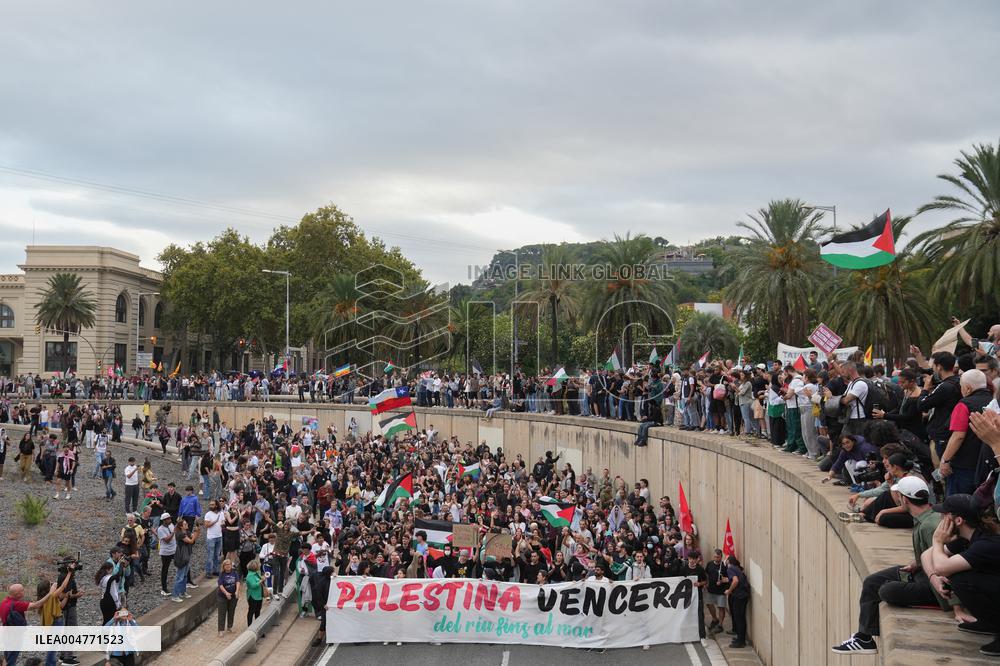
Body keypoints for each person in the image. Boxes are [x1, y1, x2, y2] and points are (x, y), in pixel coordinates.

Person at [831, 476, 940, 656]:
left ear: (904, 499)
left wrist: (955, 605)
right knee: (872, 582)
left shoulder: (929, 525)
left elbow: (941, 563)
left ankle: (864, 637)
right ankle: (864, 638)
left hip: (932, 585)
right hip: (921, 571)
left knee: (886, 590)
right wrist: (916, 564)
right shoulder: (925, 518)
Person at [939, 370, 993, 496]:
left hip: (964, 465)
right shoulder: (994, 402)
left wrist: (945, 460)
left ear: (968, 388)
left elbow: (958, 436)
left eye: (961, 387)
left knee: (958, 503)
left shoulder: (964, 405)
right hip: (987, 463)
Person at [1, 581, 60, 666]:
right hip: (14, 637)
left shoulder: (4, 602)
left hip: (6, 635)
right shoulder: (16, 604)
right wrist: (50, 593)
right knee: (11, 660)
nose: (24, 591)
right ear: (18, 594)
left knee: (8, 658)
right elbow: (36, 605)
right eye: (22, 590)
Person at [724, 555, 750, 649]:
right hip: (743, 595)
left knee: (739, 618)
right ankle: (740, 638)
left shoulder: (730, 568)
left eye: (726, 559)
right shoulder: (736, 568)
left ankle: (741, 641)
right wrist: (726, 580)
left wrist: (729, 591)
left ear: (728, 561)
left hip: (739, 596)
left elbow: (735, 581)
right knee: (740, 618)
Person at [704, 548, 729, 635]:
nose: (716, 558)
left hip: (721, 591)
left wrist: (722, 581)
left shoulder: (724, 566)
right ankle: (715, 619)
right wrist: (706, 583)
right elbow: (706, 574)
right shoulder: (710, 564)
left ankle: (720, 625)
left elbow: (728, 578)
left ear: (721, 557)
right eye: (715, 557)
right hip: (710, 589)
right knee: (709, 604)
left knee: (721, 607)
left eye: (718, 557)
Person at [217, 558, 241, 636]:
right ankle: (221, 630)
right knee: (222, 613)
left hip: (233, 596)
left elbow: (237, 582)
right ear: (223, 566)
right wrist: (226, 593)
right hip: (222, 597)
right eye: (226, 565)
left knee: (231, 612)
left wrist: (237, 591)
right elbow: (220, 585)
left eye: (229, 564)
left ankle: (230, 626)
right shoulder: (222, 574)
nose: (228, 566)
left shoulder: (234, 572)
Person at [157, 513, 176, 597]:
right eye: (168, 519)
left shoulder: (171, 525)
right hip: (165, 552)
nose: (170, 520)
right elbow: (167, 540)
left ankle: (187, 581)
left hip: (174, 550)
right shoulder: (160, 529)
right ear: (164, 521)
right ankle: (164, 588)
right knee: (165, 570)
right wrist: (173, 532)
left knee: (183, 563)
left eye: (170, 518)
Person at [245, 558, 269, 626]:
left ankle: (257, 625)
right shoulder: (250, 576)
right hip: (252, 596)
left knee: (258, 611)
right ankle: (250, 625)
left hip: (259, 596)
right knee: (251, 611)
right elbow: (253, 585)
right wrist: (261, 581)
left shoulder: (257, 573)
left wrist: (262, 579)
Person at [204, 499, 224, 578]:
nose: (211, 506)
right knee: (210, 555)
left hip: (219, 536)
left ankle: (215, 570)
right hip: (211, 537)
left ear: (216, 505)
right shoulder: (208, 514)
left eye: (212, 504)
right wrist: (215, 521)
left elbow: (223, 522)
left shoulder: (221, 513)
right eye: (210, 505)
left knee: (216, 555)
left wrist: (223, 523)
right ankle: (208, 572)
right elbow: (206, 525)